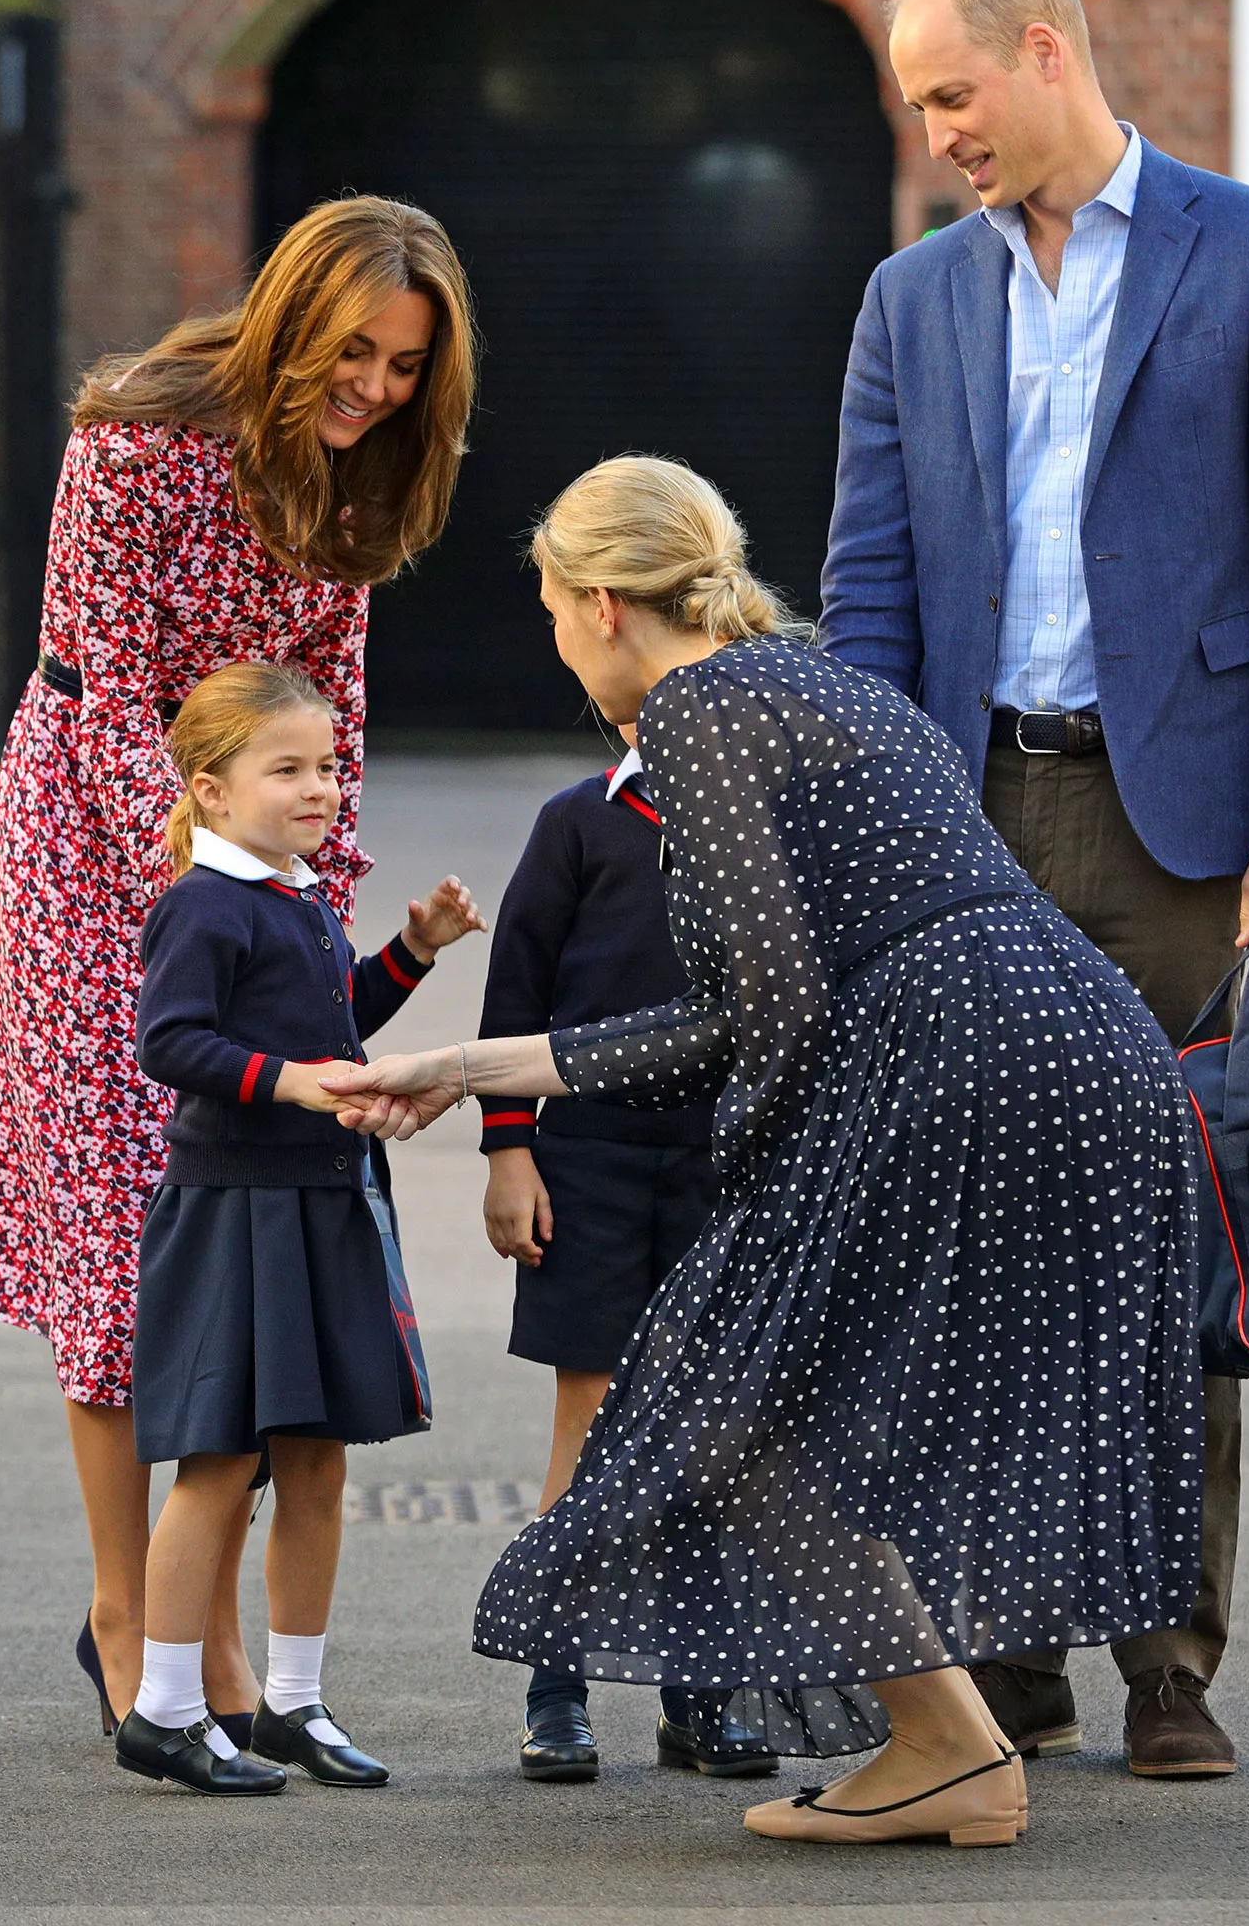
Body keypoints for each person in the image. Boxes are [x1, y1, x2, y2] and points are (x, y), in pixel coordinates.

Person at [319, 454, 1203, 1850]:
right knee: (842, 1405)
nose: (555, 644)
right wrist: (473, 1070)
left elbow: (756, 1012)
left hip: (950, 1061)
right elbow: (773, 994)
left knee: (725, 1395)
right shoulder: (828, 681)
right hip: (1082, 1048)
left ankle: (949, 1747)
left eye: (550, 610)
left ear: (605, 603)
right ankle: (954, 1745)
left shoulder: (696, 710)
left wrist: (726, 1192)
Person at [817, 0, 1249, 1778]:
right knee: (971, 1240)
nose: (934, 133)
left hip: (1177, 830)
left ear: (1039, 52)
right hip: (968, 813)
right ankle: (1007, 1657)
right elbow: (868, 583)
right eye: (917, 109)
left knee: (1158, 1229)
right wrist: (866, 830)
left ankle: (1167, 1668)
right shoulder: (907, 299)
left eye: (948, 95)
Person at [0, 194, 476, 1740]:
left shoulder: (362, 472)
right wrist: (213, 890)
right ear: (291, 313)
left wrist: (314, 911)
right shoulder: (136, 434)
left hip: (255, 864)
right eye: (360, 350)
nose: (378, 387)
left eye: (407, 367)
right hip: (91, 854)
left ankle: (205, 1640)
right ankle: (135, 1623)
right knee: (132, 1258)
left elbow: (338, 709)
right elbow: (111, 691)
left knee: (245, 1250)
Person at [114, 660, 484, 1795]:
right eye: (289, 768)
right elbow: (170, 1044)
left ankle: (292, 1700)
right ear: (212, 789)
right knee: (219, 1461)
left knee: (318, 1462)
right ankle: (165, 1710)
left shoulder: (297, 890)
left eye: (326, 765)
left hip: (325, 1206)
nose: (320, 786)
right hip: (236, 1212)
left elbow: (330, 1021)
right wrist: (294, 1085)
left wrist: (411, 952)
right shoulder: (201, 901)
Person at [477, 726, 755, 1782]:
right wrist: (509, 1152)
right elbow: (515, 999)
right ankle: (554, 1686)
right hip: (583, 1158)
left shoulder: (762, 826)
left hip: (722, 1164)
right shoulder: (578, 822)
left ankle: (698, 1693)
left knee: (709, 1435)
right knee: (587, 1424)